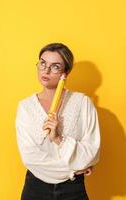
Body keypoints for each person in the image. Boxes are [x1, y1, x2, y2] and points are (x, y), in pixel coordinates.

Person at [15, 43, 100, 200]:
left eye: (55, 66)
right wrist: (74, 168)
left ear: (65, 73)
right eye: (42, 63)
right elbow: (30, 157)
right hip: (35, 188)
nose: (45, 70)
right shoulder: (25, 107)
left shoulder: (83, 103)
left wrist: (58, 139)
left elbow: (92, 152)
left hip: (73, 189)